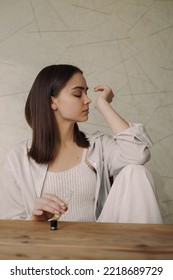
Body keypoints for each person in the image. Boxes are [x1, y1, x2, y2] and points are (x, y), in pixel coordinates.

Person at [1, 64, 163, 223]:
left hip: (98, 242)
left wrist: (104, 105)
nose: (88, 100)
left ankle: (144, 249)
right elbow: (8, 222)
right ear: (53, 102)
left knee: (137, 172)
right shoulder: (18, 157)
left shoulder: (99, 146)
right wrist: (33, 220)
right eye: (78, 94)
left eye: (86, 92)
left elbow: (138, 154)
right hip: (46, 245)